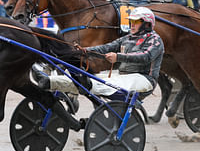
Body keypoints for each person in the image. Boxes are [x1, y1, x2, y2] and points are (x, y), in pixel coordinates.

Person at [32, 7, 164, 99]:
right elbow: (106, 47)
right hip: (124, 77)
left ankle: (87, 85)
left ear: (146, 24)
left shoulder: (155, 39)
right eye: (131, 21)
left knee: (103, 83)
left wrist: (118, 57)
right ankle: (50, 81)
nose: (132, 25)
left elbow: (145, 56)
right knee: (95, 79)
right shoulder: (127, 38)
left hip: (144, 80)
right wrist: (83, 51)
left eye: (136, 22)